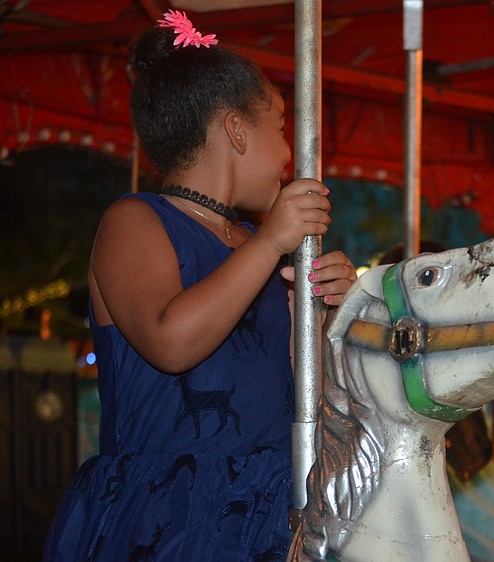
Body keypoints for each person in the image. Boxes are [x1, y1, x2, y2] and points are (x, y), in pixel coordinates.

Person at [44, 11, 356, 561]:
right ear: (237, 129)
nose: (291, 153)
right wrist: (267, 246)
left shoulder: (261, 246)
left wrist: (327, 311)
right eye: (282, 128)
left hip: (271, 507)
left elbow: (307, 393)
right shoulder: (136, 221)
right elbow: (170, 342)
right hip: (169, 514)